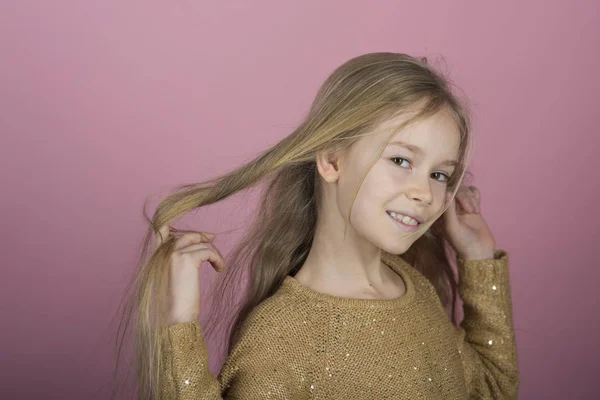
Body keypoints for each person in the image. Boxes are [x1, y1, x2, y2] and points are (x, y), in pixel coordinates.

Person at [112, 53, 519, 399]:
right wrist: (177, 332)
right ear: (332, 160)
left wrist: (478, 259)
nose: (425, 193)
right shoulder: (282, 337)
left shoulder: (416, 292)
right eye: (400, 160)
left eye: (440, 174)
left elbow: (492, 389)